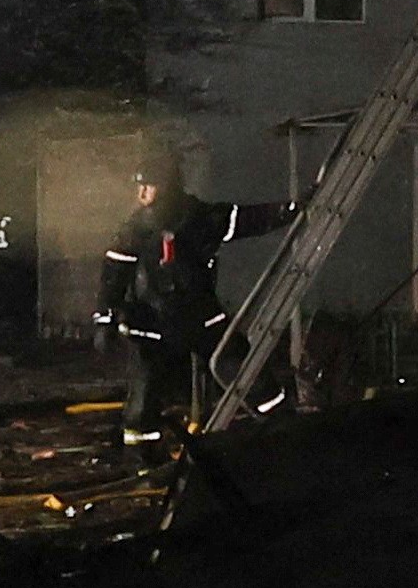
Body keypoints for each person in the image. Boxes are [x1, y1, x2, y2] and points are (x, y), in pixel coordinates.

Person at [94, 168, 293, 445]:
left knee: (241, 368)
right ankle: (143, 456)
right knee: (143, 396)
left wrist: (290, 210)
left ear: (168, 186)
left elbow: (249, 219)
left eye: (149, 185)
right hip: (152, 324)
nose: (142, 193)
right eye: (139, 186)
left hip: (199, 318)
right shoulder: (135, 228)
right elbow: (114, 274)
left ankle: (284, 429)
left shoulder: (198, 217)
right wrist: (104, 319)